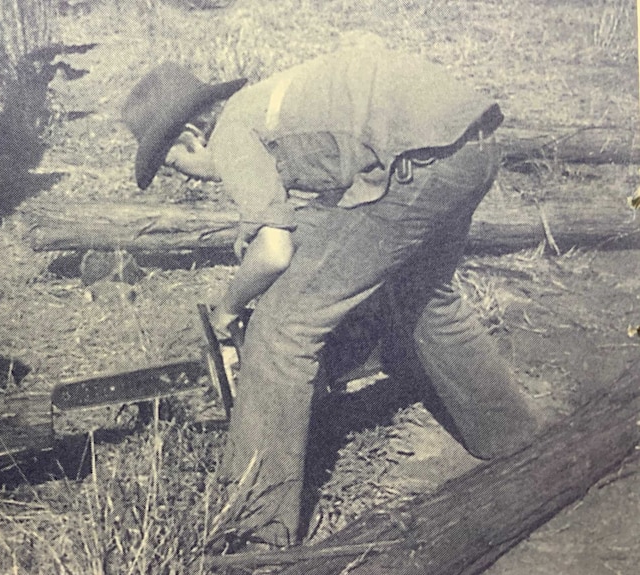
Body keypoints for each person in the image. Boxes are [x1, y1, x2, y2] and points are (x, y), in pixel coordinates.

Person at [123, 32, 541, 549]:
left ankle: (255, 531)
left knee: (281, 333)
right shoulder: (263, 103)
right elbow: (338, 179)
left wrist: (228, 307)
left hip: (423, 160)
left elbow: (276, 252)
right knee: (422, 297)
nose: (186, 177)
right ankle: (519, 443)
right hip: (472, 143)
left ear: (191, 133)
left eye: (176, 163)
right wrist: (264, 219)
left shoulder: (231, 129)